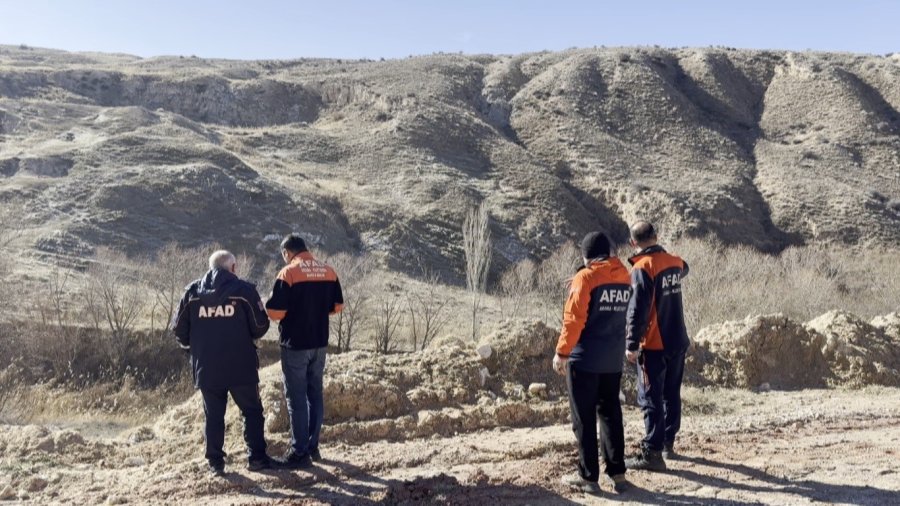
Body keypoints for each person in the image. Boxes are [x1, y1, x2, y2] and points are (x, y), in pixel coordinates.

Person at [172, 250, 273, 476]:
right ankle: (257, 458)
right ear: (233, 267)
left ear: (210, 266)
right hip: (241, 365)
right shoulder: (245, 291)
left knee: (214, 416)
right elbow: (260, 327)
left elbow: (179, 331)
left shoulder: (192, 292)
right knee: (252, 411)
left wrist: (198, 347)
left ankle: (215, 464)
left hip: (207, 367)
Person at [553, 231, 632, 495]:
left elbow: (574, 319)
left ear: (586, 256)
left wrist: (562, 352)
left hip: (584, 360)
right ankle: (617, 472)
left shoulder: (585, 277)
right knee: (611, 414)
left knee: (584, 418)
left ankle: (588, 477)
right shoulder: (624, 275)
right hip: (612, 359)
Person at [265, 234, 343, 469]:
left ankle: (299, 452)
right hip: (319, 343)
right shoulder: (328, 271)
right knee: (314, 393)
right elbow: (337, 307)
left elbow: (275, 312)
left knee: (296, 397)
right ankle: (312, 447)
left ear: (287, 253)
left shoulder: (288, 273)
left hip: (295, 345)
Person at [624, 221, 690, 471]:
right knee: (671, 393)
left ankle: (652, 452)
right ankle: (667, 443)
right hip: (678, 339)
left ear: (633, 243)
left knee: (650, 396)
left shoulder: (642, 268)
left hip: (654, 343)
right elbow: (685, 268)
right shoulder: (674, 262)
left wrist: (631, 343)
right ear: (656, 235)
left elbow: (637, 310)